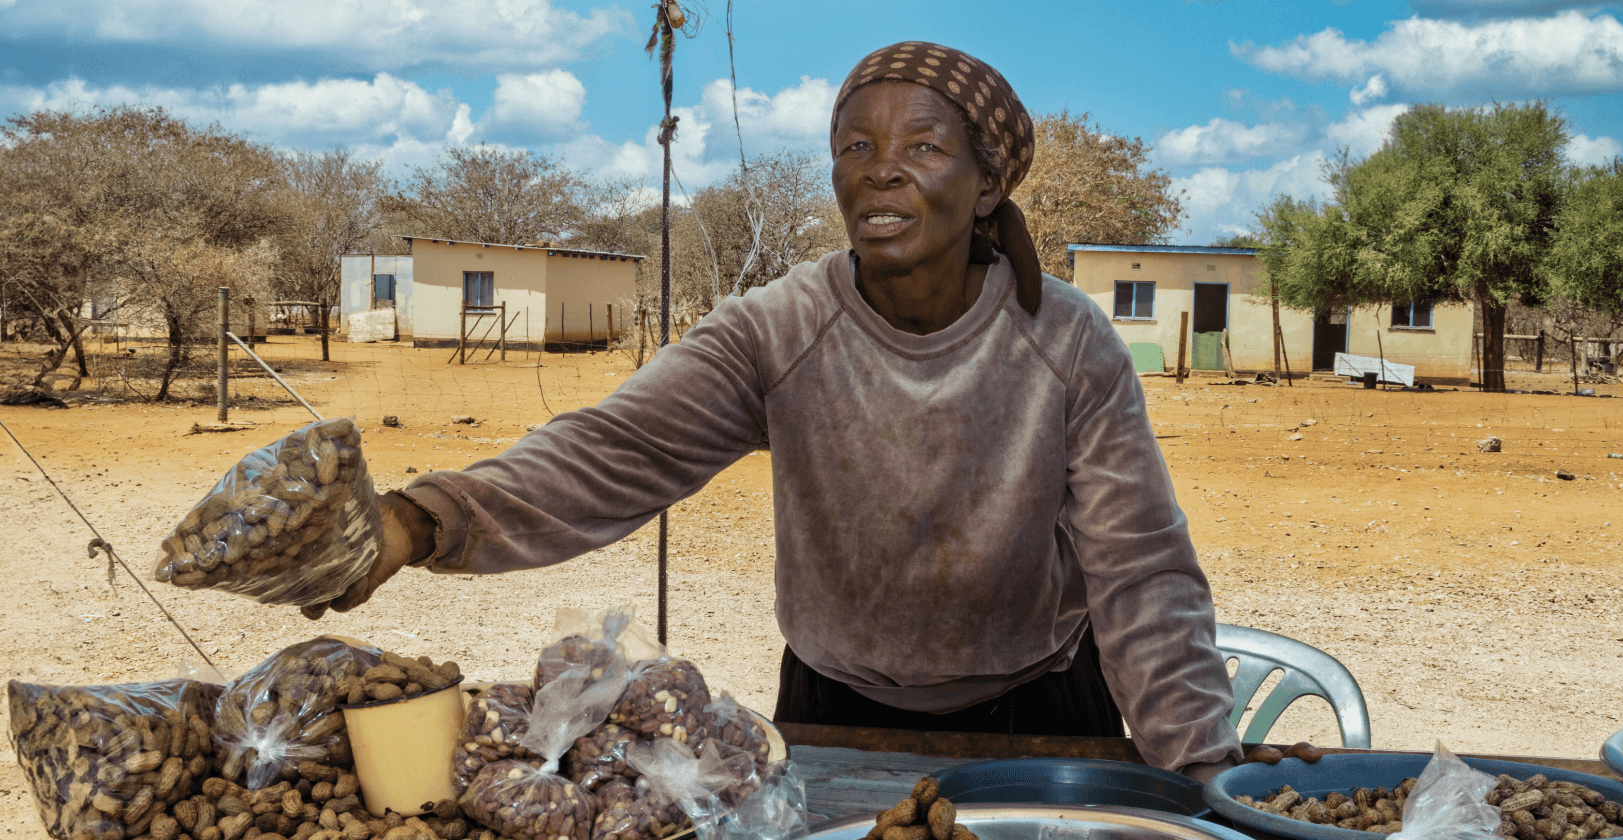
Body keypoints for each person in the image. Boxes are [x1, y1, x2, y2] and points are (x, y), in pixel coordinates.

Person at [308, 41, 1310, 782]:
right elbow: (612, 453)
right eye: (854, 146)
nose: (879, 167)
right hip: (833, 715)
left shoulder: (1068, 341)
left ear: (988, 180)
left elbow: (1138, 571)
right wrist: (415, 520)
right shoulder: (778, 329)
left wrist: (1199, 772)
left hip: (1043, 709)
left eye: (923, 145)